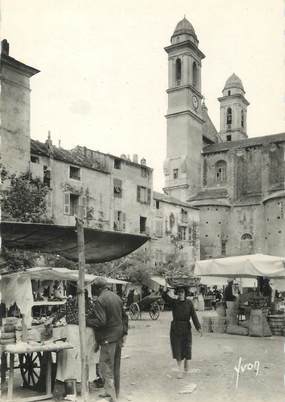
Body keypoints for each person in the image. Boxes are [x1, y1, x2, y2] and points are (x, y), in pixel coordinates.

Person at [86, 277, 128, 402]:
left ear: (98, 288)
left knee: (105, 367)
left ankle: (112, 397)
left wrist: (87, 320)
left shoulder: (100, 300)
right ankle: (114, 392)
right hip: (118, 336)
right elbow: (125, 317)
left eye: (94, 288)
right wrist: (124, 332)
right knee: (115, 366)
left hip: (107, 338)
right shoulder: (116, 297)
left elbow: (101, 321)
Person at [162, 285, 202, 379]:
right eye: (179, 292)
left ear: (185, 293)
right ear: (177, 293)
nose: (180, 294)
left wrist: (198, 328)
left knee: (187, 348)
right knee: (177, 350)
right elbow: (165, 297)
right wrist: (164, 291)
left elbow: (194, 316)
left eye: (182, 292)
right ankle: (179, 370)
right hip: (176, 328)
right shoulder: (174, 302)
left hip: (186, 328)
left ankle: (186, 362)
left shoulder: (189, 303)